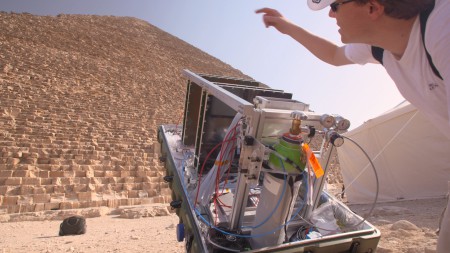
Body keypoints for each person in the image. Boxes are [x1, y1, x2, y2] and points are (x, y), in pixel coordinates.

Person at [256, 0, 449, 252]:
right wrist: (288, 27)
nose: (330, 14)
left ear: (372, 7)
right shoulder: (379, 47)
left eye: (336, 5)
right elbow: (335, 55)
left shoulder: (442, 31)